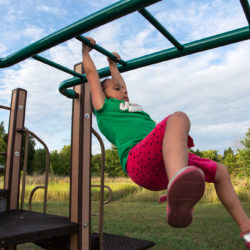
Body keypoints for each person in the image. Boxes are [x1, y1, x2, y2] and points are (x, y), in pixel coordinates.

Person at [82, 37, 250, 248]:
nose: (124, 91)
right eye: (117, 89)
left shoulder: (132, 108)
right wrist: (86, 53)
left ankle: (247, 229)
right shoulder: (105, 109)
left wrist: (112, 65)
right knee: (178, 118)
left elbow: (122, 84)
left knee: (221, 172)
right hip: (139, 160)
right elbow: (91, 75)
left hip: (165, 162)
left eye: (124, 89)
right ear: (102, 96)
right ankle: (176, 187)